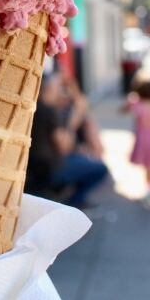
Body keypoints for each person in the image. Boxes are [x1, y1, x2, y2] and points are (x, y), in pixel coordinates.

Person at [27, 73, 108, 208]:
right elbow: (65, 147)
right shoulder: (49, 111)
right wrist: (75, 118)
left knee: (81, 157)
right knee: (100, 168)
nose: (62, 94)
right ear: (50, 89)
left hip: (37, 167)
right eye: (59, 88)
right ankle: (73, 202)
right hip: (50, 170)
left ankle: (64, 196)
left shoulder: (36, 107)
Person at [123, 80, 150, 206]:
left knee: (148, 167)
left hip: (143, 139)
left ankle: (149, 191)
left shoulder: (138, 105)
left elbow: (125, 109)